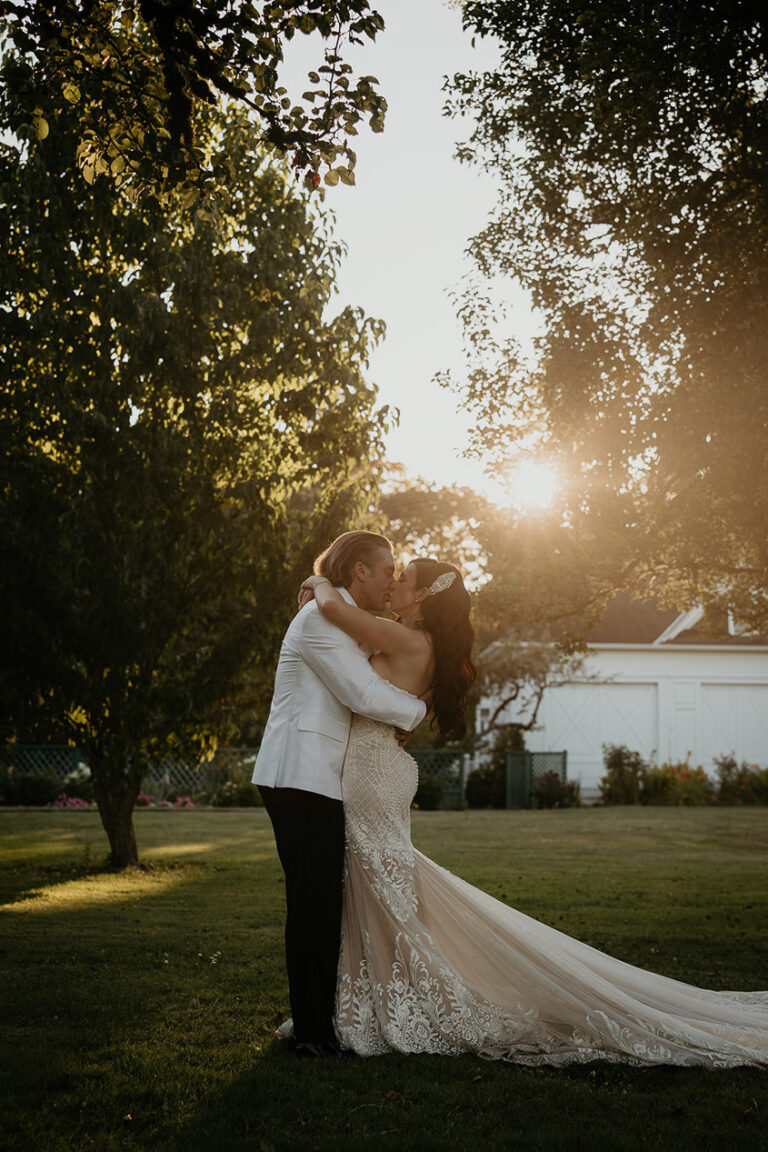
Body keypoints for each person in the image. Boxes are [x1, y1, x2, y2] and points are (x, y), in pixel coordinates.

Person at [295, 557, 768, 1067]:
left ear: (425, 596)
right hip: (383, 769)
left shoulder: (403, 638)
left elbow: (331, 610)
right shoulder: (423, 647)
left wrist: (318, 577)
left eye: (403, 580)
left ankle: (385, 1003)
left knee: (379, 886)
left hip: (372, 772)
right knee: (382, 886)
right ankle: (372, 999)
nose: (393, 587)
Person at [252, 531, 427, 1058]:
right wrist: (419, 716)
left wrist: (315, 579)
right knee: (313, 905)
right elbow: (363, 693)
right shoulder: (318, 622)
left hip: (318, 777)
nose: (393, 579)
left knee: (322, 903)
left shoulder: (338, 617)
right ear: (360, 573)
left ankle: (319, 1020)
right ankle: (312, 1032)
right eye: (388, 569)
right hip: (299, 775)